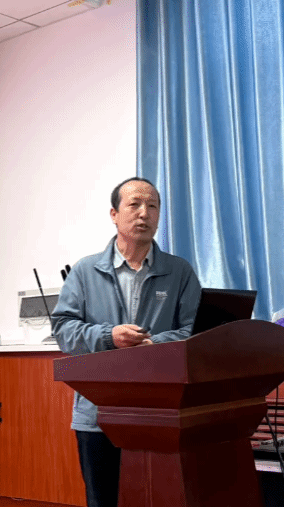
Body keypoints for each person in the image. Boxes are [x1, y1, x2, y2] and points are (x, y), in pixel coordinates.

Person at [51, 177, 202, 507]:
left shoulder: (179, 271)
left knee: (161, 500)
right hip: (98, 414)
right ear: (114, 214)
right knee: (103, 500)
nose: (144, 213)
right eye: (134, 204)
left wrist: (155, 344)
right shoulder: (85, 271)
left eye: (153, 206)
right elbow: (63, 329)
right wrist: (109, 336)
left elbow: (195, 331)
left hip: (161, 412)